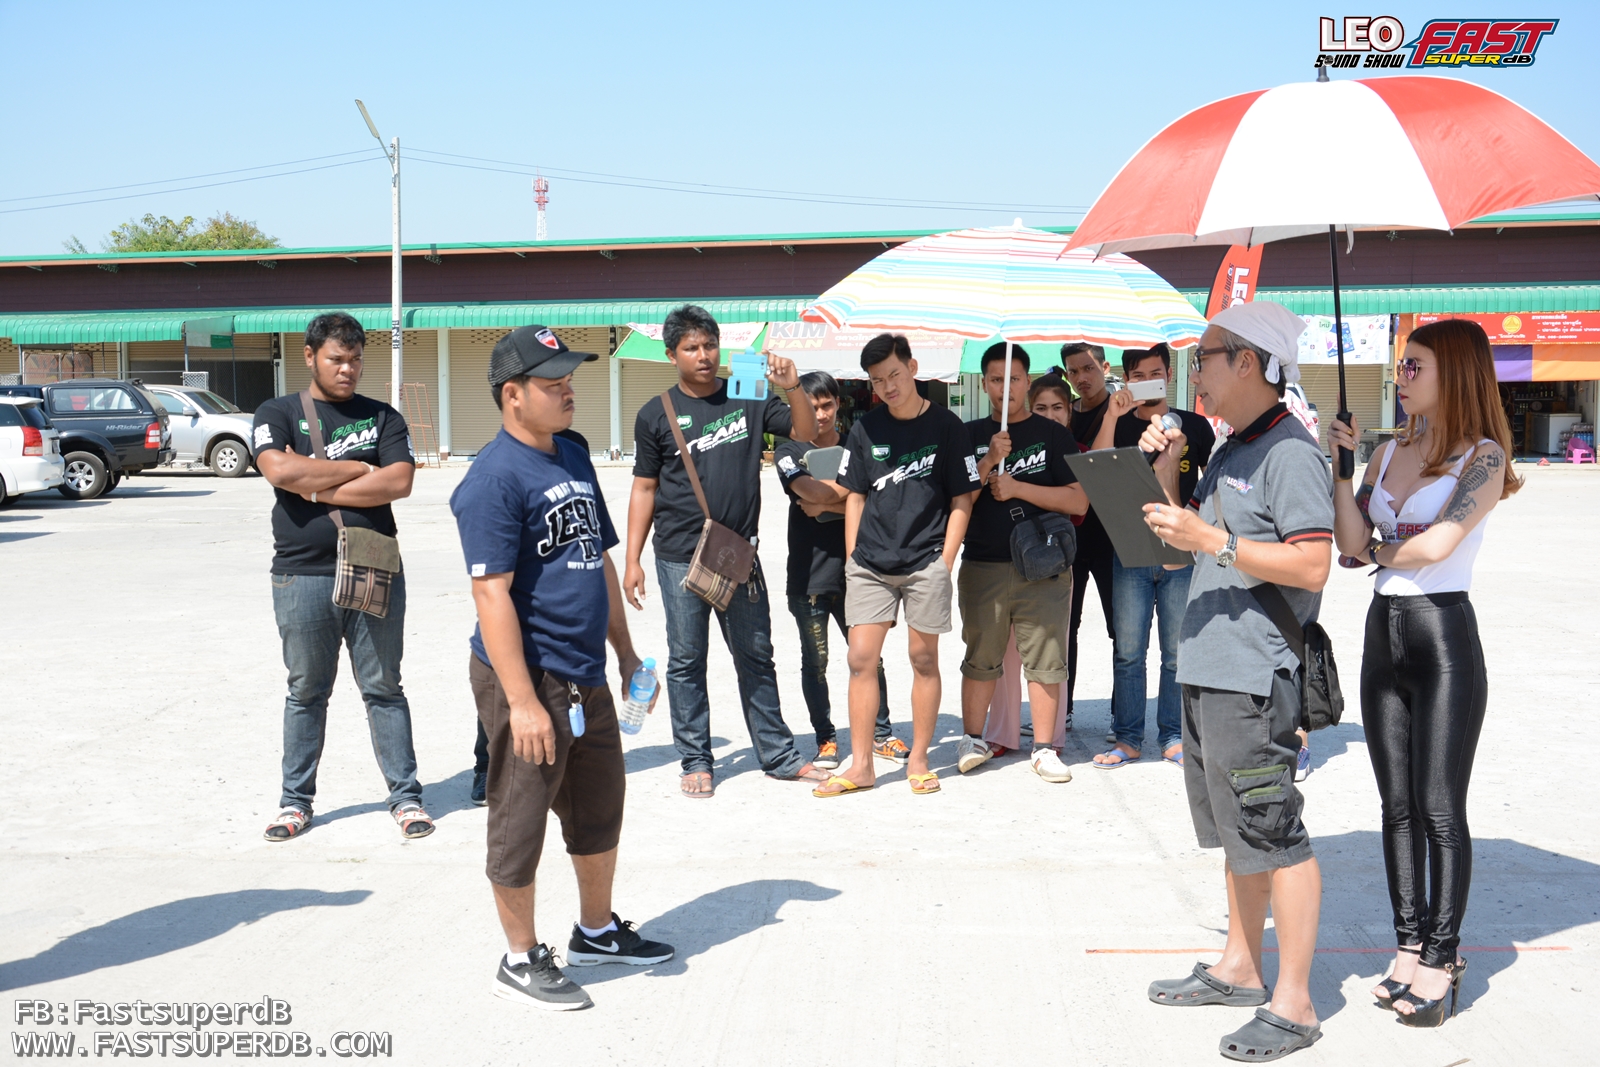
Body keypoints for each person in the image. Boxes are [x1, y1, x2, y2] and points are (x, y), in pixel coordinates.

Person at [451, 325, 673, 1012]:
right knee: (520, 820)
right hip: (529, 676)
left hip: (586, 673)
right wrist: (521, 701)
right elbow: (491, 594)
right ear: (512, 395)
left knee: (600, 807)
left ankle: (596, 932)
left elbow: (597, 554)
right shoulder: (492, 479)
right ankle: (519, 958)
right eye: (553, 383)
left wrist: (625, 653)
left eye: (570, 378)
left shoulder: (572, 451)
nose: (568, 390)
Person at [1139, 301, 1332, 1061]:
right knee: (1236, 830)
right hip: (1210, 665)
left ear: (1247, 361)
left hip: (1254, 674)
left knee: (1274, 829)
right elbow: (1178, 548)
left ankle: (1296, 1003)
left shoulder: (1289, 452)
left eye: (1206, 357)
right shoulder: (1229, 447)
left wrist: (1213, 538)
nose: (1196, 374)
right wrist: (1164, 471)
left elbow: (1312, 563)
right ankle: (1240, 967)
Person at [1329, 318, 1518, 1027]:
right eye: (1400, 366)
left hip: (1443, 636)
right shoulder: (1385, 452)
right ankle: (1408, 946)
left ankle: (1443, 957)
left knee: (1439, 807)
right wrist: (1342, 470)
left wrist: (1380, 549)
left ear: (1455, 373)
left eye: (1415, 366)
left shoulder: (1484, 456)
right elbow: (1350, 542)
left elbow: (1439, 544)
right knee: (1395, 806)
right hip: (1383, 634)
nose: (1401, 377)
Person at [624, 304, 824, 798]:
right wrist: (632, 560)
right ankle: (696, 759)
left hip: (737, 552)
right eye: (691, 347)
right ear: (671, 355)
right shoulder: (655, 413)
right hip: (678, 556)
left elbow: (805, 433)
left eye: (710, 345)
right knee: (687, 660)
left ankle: (778, 755)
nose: (703, 355)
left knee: (756, 655)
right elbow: (644, 487)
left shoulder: (747, 393)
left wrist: (792, 387)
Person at [251, 312, 430, 843]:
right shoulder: (278, 412)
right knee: (306, 691)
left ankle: (406, 797)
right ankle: (295, 802)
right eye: (336, 359)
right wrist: (358, 469)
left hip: (375, 565)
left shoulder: (383, 416)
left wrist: (313, 483)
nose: (347, 369)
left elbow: (399, 482)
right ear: (310, 356)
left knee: (384, 688)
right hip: (301, 574)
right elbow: (279, 470)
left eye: (355, 359)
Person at [812, 333, 979, 797]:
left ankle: (919, 761)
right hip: (870, 564)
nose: (888, 386)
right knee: (860, 659)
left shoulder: (948, 427)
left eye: (894, 375)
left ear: (913, 368)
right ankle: (862, 765)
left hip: (926, 562)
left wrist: (945, 561)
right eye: (877, 380)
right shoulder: (865, 428)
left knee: (923, 659)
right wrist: (852, 557)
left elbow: (963, 498)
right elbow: (855, 495)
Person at [955, 344, 1087, 783]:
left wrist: (1017, 489)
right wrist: (989, 460)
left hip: (1043, 565)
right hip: (983, 564)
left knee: (1047, 658)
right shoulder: (968, 434)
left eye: (1013, 379)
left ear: (1027, 383)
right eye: (996, 379)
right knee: (981, 657)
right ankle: (973, 739)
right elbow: (957, 500)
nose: (1005, 387)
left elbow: (1078, 500)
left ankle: (1045, 749)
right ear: (984, 384)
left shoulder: (1053, 435)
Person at [1090, 345, 1215, 770]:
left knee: (1177, 653)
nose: (1148, 382)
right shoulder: (1119, 423)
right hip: (1129, 550)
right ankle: (1127, 738)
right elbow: (1096, 470)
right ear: (1127, 379)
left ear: (1169, 374)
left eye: (1156, 373)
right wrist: (1112, 415)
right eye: (1139, 375)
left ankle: (1173, 736)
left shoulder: (1194, 426)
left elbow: (1211, 487)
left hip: (1182, 550)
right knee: (1128, 652)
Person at [773, 372, 900, 769]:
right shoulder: (788, 450)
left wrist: (829, 504)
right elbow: (808, 491)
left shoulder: (857, 444)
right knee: (816, 663)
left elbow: (877, 500)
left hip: (859, 573)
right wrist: (851, 494)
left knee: (869, 659)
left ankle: (881, 734)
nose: (821, 414)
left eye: (827, 404)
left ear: (838, 404)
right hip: (808, 577)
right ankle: (826, 739)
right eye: (812, 406)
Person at [471, 426, 590, 807]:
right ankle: (484, 765)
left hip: (566, 611)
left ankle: (565, 765)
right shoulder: (500, 455)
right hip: (518, 605)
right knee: (504, 693)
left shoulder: (576, 448)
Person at [1060, 343, 1118, 727]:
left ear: (1105, 367)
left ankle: (1122, 714)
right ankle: (1061, 712)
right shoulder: (1062, 415)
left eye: (1088, 368)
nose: (1081, 377)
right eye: (1073, 371)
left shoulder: (1122, 412)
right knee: (1065, 629)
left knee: (1121, 632)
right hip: (1067, 541)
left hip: (1114, 540)